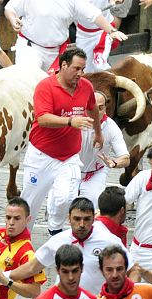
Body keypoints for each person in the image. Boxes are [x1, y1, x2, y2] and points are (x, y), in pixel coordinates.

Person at [21, 48, 102, 234]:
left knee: (66, 198)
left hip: (70, 156)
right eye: (76, 68)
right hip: (42, 154)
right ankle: (21, 241)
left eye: (83, 69)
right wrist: (70, 121)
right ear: (63, 65)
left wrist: (98, 132)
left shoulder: (86, 86)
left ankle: (55, 228)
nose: (80, 73)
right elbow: (43, 119)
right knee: (30, 203)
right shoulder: (45, 86)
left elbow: (93, 109)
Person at [3, 197, 125, 295]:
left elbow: (131, 269)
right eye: (77, 219)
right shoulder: (58, 241)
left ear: (94, 218)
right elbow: (32, 267)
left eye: (86, 219)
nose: (81, 224)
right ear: (68, 219)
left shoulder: (109, 241)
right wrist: (3, 276)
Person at [3, 0, 126, 72]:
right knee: (30, 81)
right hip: (30, 47)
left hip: (57, 51)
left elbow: (94, 15)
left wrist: (112, 30)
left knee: (57, 89)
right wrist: (13, 19)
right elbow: (10, 8)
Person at [78, 91, 130, 207]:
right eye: (91, 108)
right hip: (71, 169)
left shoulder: (111, 127)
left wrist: (114, 163)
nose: (95, 112)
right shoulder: (76, 120)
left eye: (100, 108)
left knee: (95, 203)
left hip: (96, 172)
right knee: (62, 201)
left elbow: (126, 159)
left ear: (105, 109)